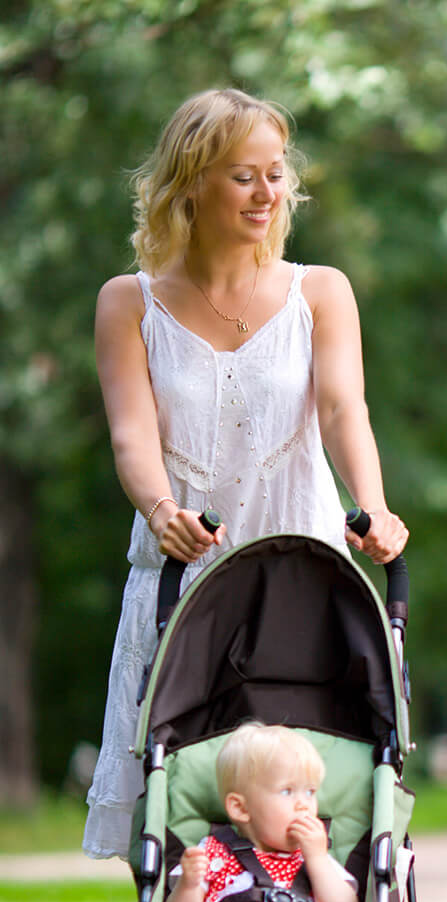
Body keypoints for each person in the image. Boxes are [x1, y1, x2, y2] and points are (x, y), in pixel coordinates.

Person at [84, 88, 408, 860]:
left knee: (302, 776)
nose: (269, 194)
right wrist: (160, 508)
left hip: (298, 568)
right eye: (243, 176)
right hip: (183, 574)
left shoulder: (318, 291)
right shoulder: (129, 303)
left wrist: (375, 505)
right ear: (191, 181)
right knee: (180, 781)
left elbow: (342, 409)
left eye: (276, 174)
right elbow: (132, 436)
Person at [123, 722, 359, 902]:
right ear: (241, 808)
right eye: (287, 791)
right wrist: (188, 884)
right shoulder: (214, 850)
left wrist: (317, 858)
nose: (303, 804)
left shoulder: (313, 856)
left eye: (310, 792)